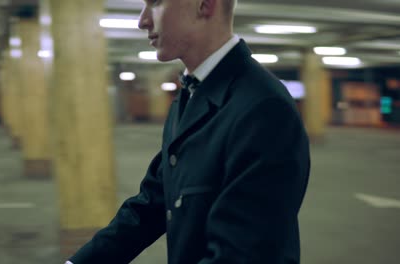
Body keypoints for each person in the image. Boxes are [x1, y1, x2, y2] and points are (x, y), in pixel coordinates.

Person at [66, 0, 310, 263]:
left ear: (205, 4)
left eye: (156, 3)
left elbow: (243, 253)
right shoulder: (191, 95)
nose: (142, 20)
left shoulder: (263, 107)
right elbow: (153, 202)